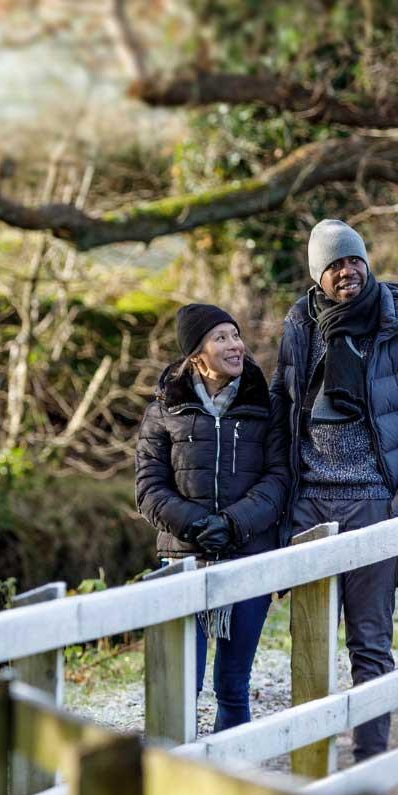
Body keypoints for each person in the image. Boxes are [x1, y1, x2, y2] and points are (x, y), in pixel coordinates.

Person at [273, 219, 398, 761]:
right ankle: (313, 772)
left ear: (367, 262)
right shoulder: (300, 325)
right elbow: (281, 413)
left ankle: (370, 767)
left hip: (374, 504)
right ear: (318, 275)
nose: (346, 272)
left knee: (369, 644)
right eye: (334, 265)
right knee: (309, 650)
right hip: (309, 510)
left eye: (353, 260)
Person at [134, 303, 291, 733]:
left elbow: (279, 479)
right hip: (184, 562)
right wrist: (198, 526)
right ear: (196, 354)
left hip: (249, 561)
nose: (235, 345)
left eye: (235, 335)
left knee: (233, 686)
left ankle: (233, 781)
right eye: (220, 337)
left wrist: (234, 524)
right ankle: (179, 787)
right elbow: (148, 489)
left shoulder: (266, 405)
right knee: (183, 685)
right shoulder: (164, 409)